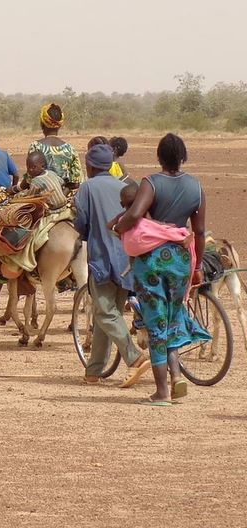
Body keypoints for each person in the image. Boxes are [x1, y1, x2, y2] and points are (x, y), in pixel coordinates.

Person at [114, 133, 211, 405]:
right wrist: (198, 265)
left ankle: (161, 392)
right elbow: (200, 231)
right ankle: (176, 376)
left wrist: (118, 228)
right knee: (174, 316)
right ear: (183, 157)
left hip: (152, 260)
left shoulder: (151, 183)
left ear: (159, 157)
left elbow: (133, 214)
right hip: (181, 258)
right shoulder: (196, 187)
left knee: (156, 321)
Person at [73, 144, 151, 387]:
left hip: (102, 258)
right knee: (108, 314)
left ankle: (134, 357)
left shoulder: (87, 188)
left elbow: (81, 221)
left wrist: (86, 234)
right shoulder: (123, 187)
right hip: (126, 258)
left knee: (105, 314)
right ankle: (93, 371)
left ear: (90, 166)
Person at [28, 103, 83, 189]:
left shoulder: (35, 147)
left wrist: (15, 189)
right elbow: (76, 182)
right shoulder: (70, 149)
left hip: (41, 198)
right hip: (65, 198)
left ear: (42, 123)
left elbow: (29, 178)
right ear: (60, 124)